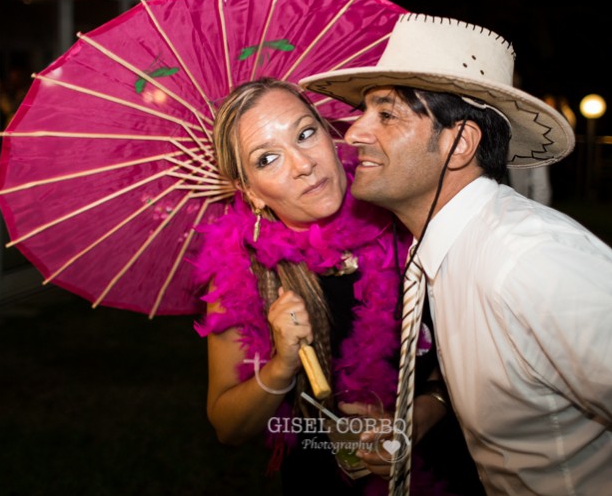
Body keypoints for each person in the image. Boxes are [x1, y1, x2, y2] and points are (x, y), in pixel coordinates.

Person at [301, 14, 612, 495]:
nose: (354, 131)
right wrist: (423, 412)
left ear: (459, 144)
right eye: (363, 110)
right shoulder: (441, 246)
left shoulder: (532, 262)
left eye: (385, 113)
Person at [192, 78, 480, 495]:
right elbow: (227, 427)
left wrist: (417, 418)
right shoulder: (244, 274)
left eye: (306, 134)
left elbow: (479, 353)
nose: (302, 164)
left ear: (332, 136)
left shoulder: (408, 212)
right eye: (268, 158)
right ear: (250, 193)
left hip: (445, 466)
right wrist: (282, 364)